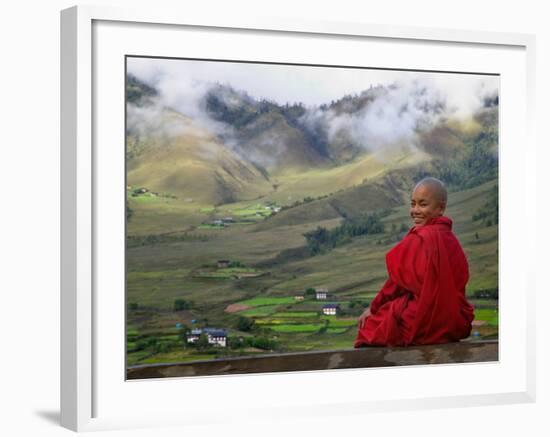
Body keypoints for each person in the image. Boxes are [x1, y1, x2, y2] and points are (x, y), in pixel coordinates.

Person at [354, 177, 474, 347]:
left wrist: (373, 309)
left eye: (423, 205)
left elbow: (395, 284)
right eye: (413, 204)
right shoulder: (451, 240)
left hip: (424, 323)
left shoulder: (420, 238)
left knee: (370, 328)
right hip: (454, 323)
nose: (415, 210)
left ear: (440, 208)